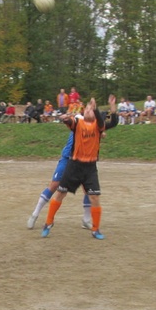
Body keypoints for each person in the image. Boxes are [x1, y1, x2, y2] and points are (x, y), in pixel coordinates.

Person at [41, 95, 119, 240]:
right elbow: (70, 121)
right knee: (60, 193)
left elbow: (114, 121)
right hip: (74, 165)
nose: (89, 110)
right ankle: (48, 223)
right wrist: (65, 118)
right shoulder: (78, 122)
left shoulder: (98, 126)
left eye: (91, 109)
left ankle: (95, 229)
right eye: (87, 109)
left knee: (94, 197)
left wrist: (112, 106)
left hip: (90, 167)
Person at [27, 127, 93, 231]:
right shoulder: (78, 121)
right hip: (68, 158)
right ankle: (35, 214)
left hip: (82, 160)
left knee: (88, 189)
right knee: (54, 185)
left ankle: (86, 220)